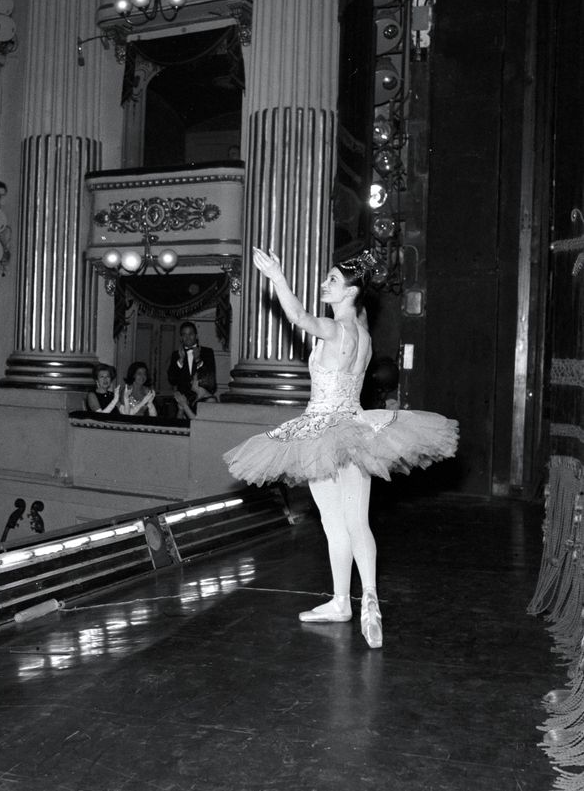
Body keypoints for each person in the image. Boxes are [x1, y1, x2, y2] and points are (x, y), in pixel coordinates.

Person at [223, 248, 459, 649]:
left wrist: (277, 276)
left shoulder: (336, 330)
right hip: (356, 427)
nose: (324, 284)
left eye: (332, 280)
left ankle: (348, 602)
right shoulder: (364, 336)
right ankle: (357, 601)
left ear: (350, 292)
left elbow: (297, 317)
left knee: (338, 525)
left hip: (322, 432)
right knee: (354, 522)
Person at [166, 321, 217, 418]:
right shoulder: (176, 355)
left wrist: (198, 360)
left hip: (201, 400)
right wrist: (179, 362)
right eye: (184, 335)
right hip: (181, 402)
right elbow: (172, 380)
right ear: (181, 338)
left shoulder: (207, 352)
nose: (187, 337)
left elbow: (211, 380)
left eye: (190, 334)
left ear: (196, 336)